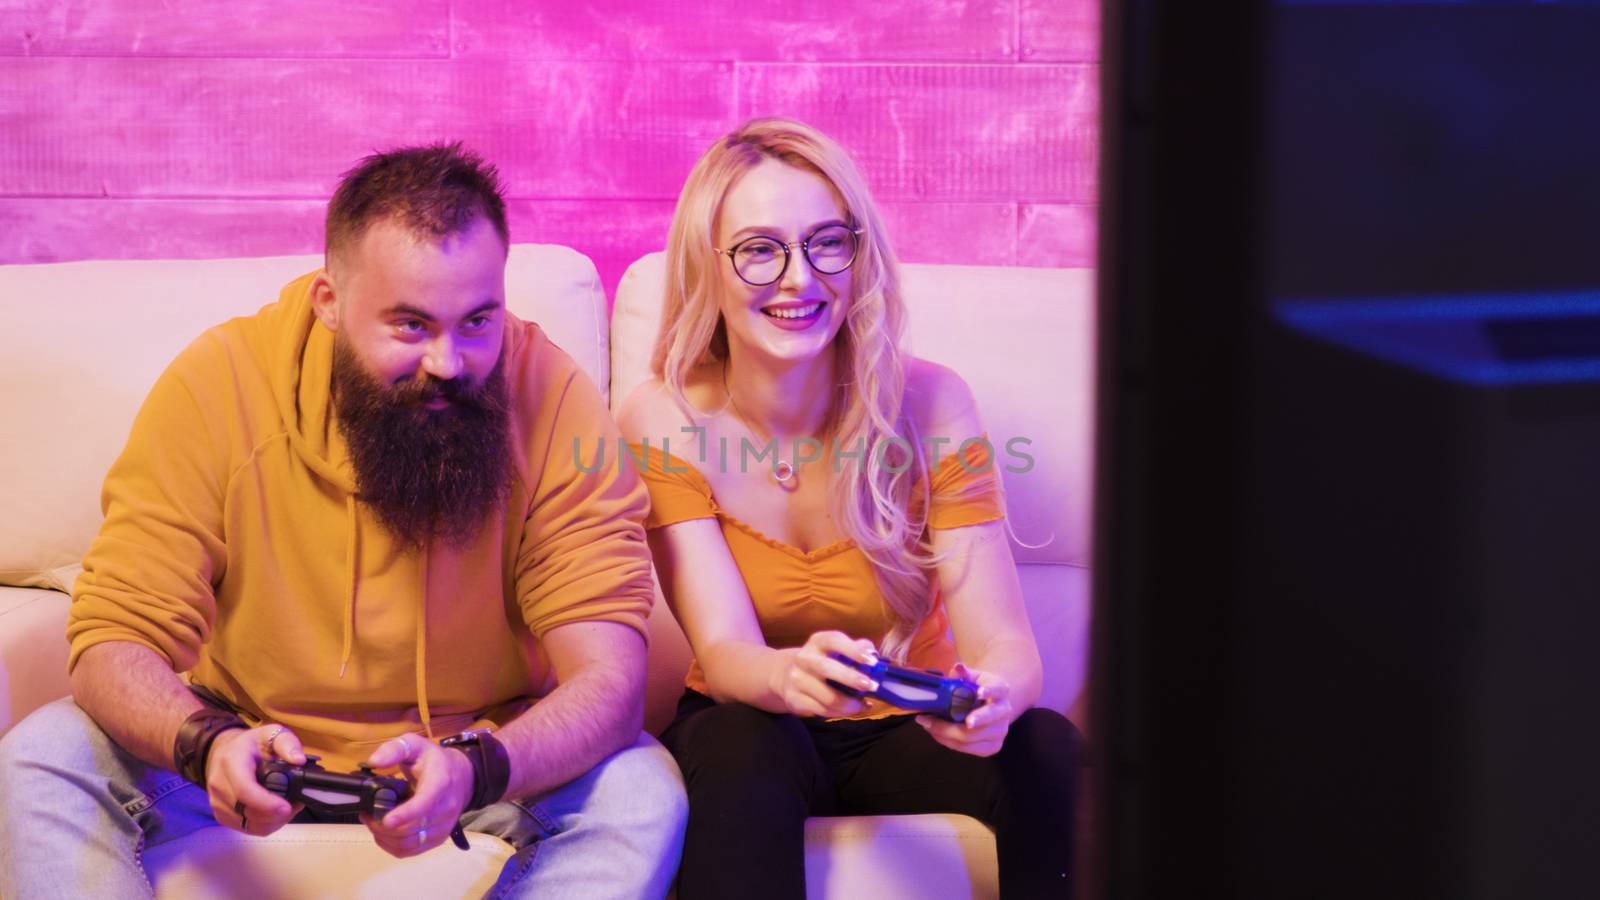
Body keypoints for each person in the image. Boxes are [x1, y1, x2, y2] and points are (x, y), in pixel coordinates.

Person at [0, 143, 686, 899]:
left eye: (477, 321)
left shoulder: (551, 395)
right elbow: (113, 641)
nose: (449, 362)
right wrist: (204, 744)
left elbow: (609, 680)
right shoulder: (219, 381)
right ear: (331, 301)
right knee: (42, 756)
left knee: (640, 790)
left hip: (481, 749)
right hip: (246, 736)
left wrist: (475, 766)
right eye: (411, 326)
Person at [617, 117, 1080, 898]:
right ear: (710, 267)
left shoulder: (933, 403)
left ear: (858, 254)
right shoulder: (663, 417)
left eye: (827, 242)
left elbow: (1005, 642)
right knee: (738, 744)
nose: (799, 279)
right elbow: (727, 649)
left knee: (1045, 745)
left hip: (907, 725)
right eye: (760, 249)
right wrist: (787, 675)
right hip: (753, 715)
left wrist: (994, 696)